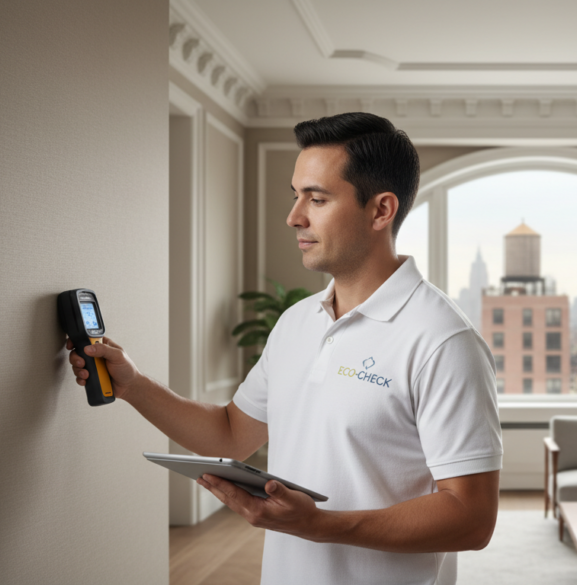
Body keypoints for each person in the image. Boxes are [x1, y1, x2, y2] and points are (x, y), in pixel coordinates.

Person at [66, 112, 503, 584]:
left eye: (317, 199)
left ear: (381, 210)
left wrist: (318, 526)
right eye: (296, 196)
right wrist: (133, 385)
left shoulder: (443, 340)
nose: (294, 217)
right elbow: (232, 434)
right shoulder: (297, 322)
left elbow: (471, 517)